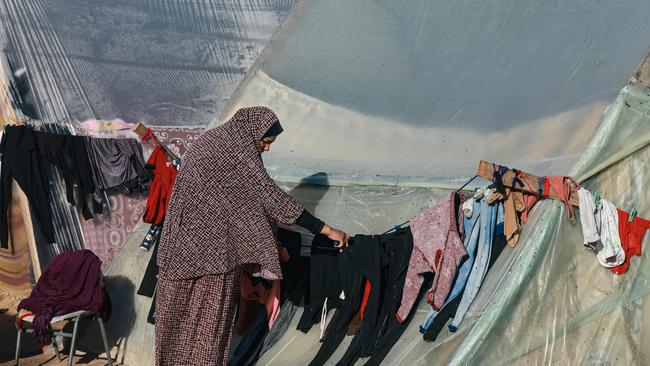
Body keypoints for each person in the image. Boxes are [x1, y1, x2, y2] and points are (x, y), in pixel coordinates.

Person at [154, 106, 349, 366]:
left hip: (178, 255)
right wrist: (326, 229)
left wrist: (270, 241)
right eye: (266, 141)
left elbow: (236, 204)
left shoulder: (212, 140)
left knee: (173, 330)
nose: (266, 148)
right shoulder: (239, 149)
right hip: (213, 262)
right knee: (208, 337)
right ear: (254, 133)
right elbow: (269, 198)